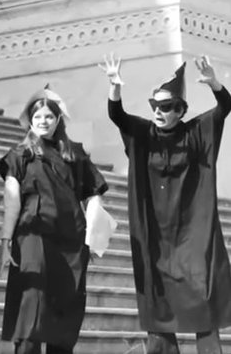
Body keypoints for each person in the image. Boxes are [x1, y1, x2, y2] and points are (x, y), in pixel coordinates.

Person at [101, 54, 231, 354]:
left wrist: (214, 83)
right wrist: (115, 86)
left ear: (181, 110)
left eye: (167, 107)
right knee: (160, 308)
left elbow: (225, 108)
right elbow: (116, 115)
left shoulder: (196, 132)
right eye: (155, 106)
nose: (159, 112)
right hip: (155, 234)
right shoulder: (143, 134)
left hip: (192, 234)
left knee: (203, 298)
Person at [0, 86, 108, 354]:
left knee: (64, 311)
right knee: (31, 307)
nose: (43, 121)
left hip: (71, 241)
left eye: (48, 117)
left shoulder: (75, 153)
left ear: (58, 120)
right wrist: (5, 242)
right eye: (38, 117)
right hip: (33, 237)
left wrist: (93, 237)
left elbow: (94, 195)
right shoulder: (19, 154)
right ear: (30, 121)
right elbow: (12, 201)